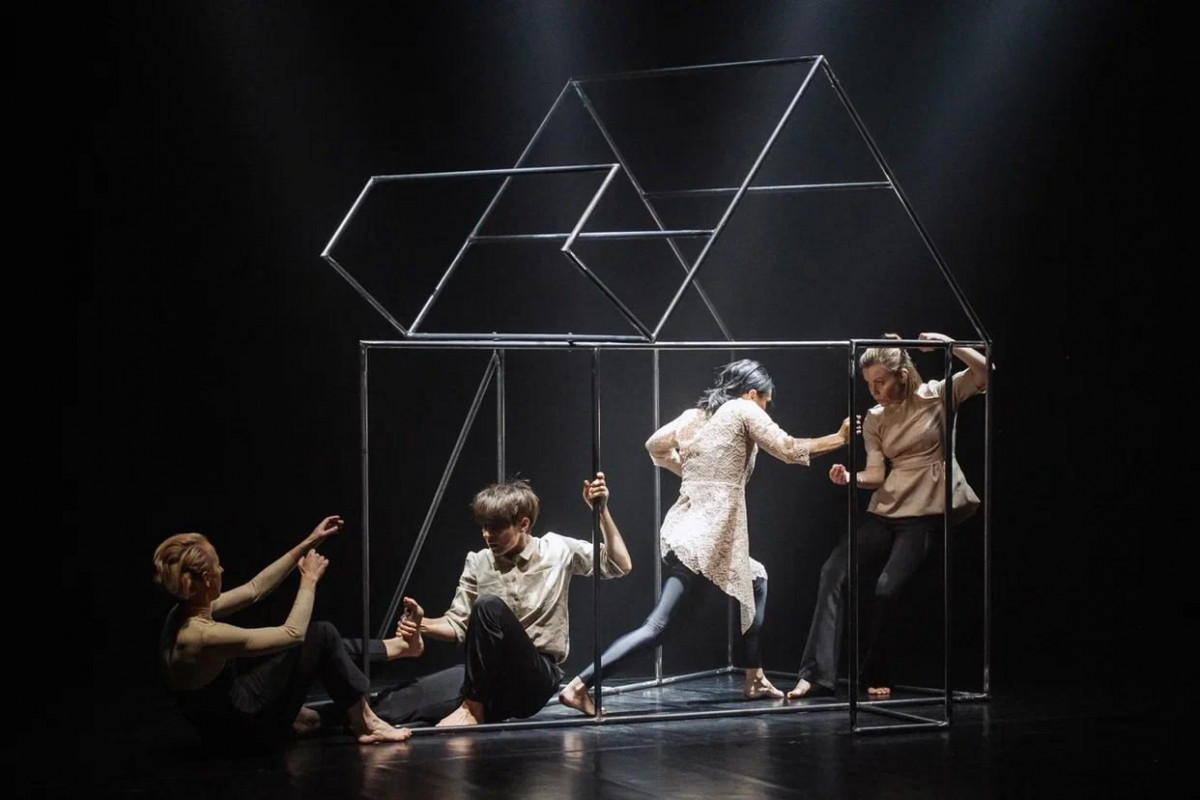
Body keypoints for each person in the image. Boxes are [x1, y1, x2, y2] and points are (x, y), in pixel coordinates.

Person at [559, 359, 850, 715]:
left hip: (687, 531)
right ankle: (578, 686)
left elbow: (655, 445)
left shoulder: (695, 416)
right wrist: (839, 438)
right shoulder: (743, 408)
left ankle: (755, 677)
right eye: (766, 402)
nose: (765, 410)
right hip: (704, 539)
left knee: (755, 579)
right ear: (752, 393)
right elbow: (788, 448)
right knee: (658, 626)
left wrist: (695, 473)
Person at [788, 332, 987, 700]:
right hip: (886, 508)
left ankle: (875, 672)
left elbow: (986, 372)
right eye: (869, 384)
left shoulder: (937, 395)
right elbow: (877, 474)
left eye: (880, 381)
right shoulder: (876, 417)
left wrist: (948, 343)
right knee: (833, 571)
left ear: (902, 375)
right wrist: (851, 478)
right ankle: (815, 674)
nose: (874, 391)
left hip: (925, 509)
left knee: (886, 588)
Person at [391, 472, 631, 727]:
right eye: (484, 527)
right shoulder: (479, 561)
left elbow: (619, 564)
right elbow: (458, 624)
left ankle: (472, 709)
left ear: (523, 524)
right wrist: (422, 624)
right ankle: (468, 706)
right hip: (490, 678)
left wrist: (601, 512)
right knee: (395, 703)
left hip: (534, 678)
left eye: (496, 527)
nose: (487, 535)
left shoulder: (556, 549)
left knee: (488, 606)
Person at [153, 515, 413, 749]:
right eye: (217, 565)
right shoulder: (202, 637)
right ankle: (366, 724)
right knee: (321, 634)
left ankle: (394, 651)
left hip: (226, 714)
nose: (222, 570)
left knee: (321, 653)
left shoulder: (182, 612)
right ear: (207, 578)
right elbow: (293, 633)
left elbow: (255, 589)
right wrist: (309, 580)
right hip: (241, 730)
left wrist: (310, 541)